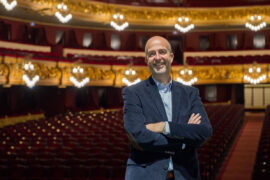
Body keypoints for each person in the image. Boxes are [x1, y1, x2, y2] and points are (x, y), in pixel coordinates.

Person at [122, 36, 212, 180]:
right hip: (145, 174)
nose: (157, 57)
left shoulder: (190, 93)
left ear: (171, 57)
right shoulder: (132, 93)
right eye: (152, 54)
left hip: (184, 173)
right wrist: (183, 140)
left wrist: (165, 127)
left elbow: (204, 131)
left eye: (162, 52)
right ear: (146, 60)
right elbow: (138, 135)